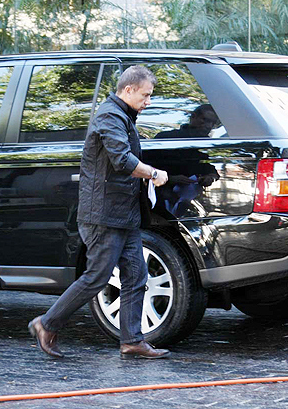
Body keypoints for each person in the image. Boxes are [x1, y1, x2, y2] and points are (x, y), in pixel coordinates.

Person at [28, 66, 170, 360]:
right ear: (128, 89)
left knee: (136, 275)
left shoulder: (124, 116)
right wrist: (153, 173)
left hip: (124, 215)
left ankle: (131, 340)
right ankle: (46, 323)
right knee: (96, 277)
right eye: (146, 95)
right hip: (103, 215)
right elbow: (121, 159)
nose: (149, 101)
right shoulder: (109, 115)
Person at [154, 104, 220, 139]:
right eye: (205, 120)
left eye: (213, 123)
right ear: (193, 117)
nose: (209, 126)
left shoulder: (211, 144)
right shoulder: (167, 138)